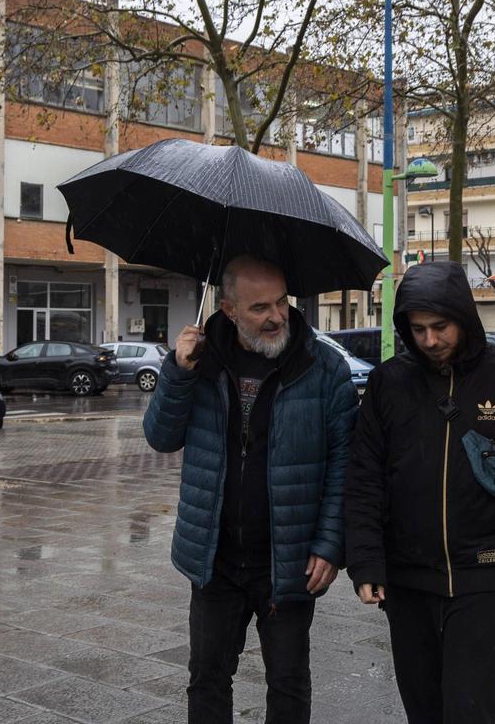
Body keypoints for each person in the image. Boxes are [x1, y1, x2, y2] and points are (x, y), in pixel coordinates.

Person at [345, 261, 495, 724]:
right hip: (407, 579)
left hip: (489, 576)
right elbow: (364, 478)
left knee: (470, 707)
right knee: (423, 707)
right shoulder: (388, 382)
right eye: (417, 329)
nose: (429, 340)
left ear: (464, 318)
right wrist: (366, 560)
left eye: (440, 326)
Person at [143, 254, 358, 724]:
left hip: (289, 560)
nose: (277, 316)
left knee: (288, 683)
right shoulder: (197, 360)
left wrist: (329, 545)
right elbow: (161, 437)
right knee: (207, 679)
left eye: (282, 302)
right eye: (260, 307)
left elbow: (346, 465)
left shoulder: (324, 368)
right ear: (228, 310)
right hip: (214, 559)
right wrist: (177, 371)